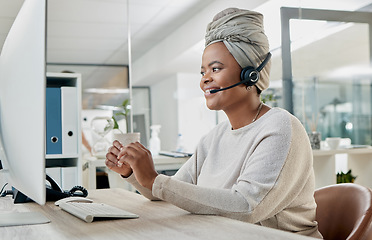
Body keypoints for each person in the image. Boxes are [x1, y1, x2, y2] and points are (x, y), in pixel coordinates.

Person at [105, 8, 322, 238]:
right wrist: (134, 173)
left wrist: (154, 179)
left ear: (250, 74)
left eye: (215, 68)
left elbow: (248, 207)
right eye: (202, 71)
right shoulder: (215, 137)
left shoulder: (280, 127)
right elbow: (164, 193)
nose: (205, 79)